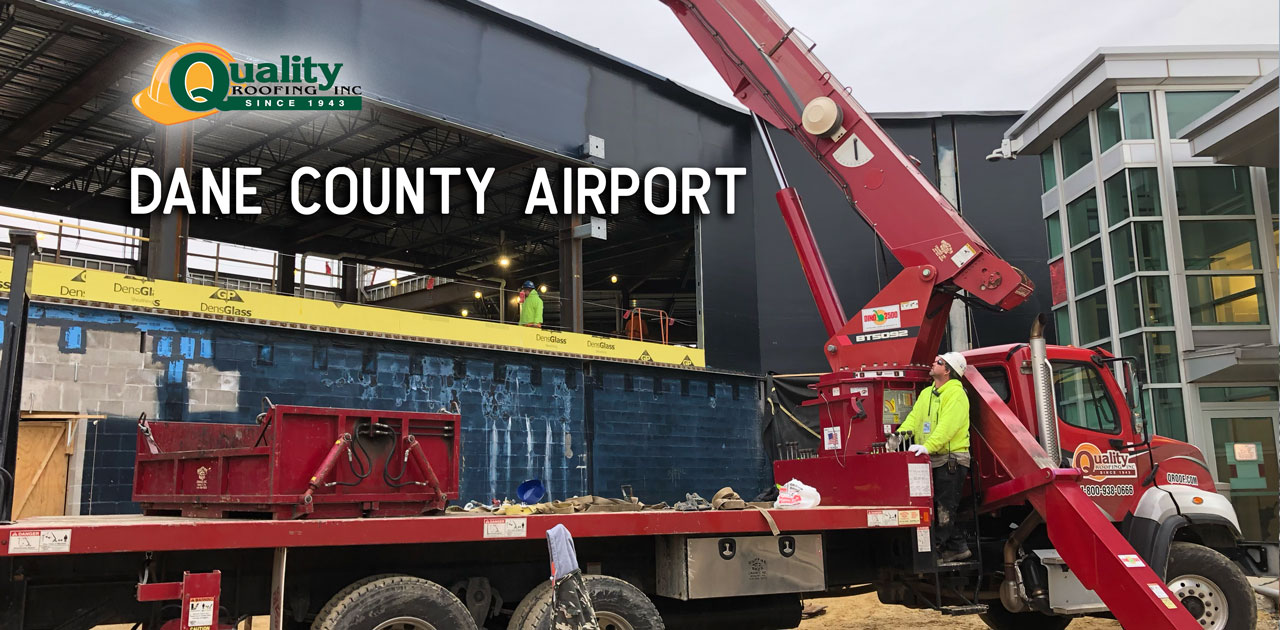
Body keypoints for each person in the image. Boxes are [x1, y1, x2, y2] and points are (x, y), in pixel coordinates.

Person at [896, 351, 971, 563]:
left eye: (938, 362)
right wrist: (898, 437)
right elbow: (914, 419)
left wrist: (928, 446)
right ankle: (958, 547)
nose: (932, 362)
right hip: (933, 458)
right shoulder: (928, 393)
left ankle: (936, 550)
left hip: (951, 459)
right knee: (938, 507)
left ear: (948, 371)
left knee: (943, 507)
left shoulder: (956, 394)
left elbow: (948, 427)